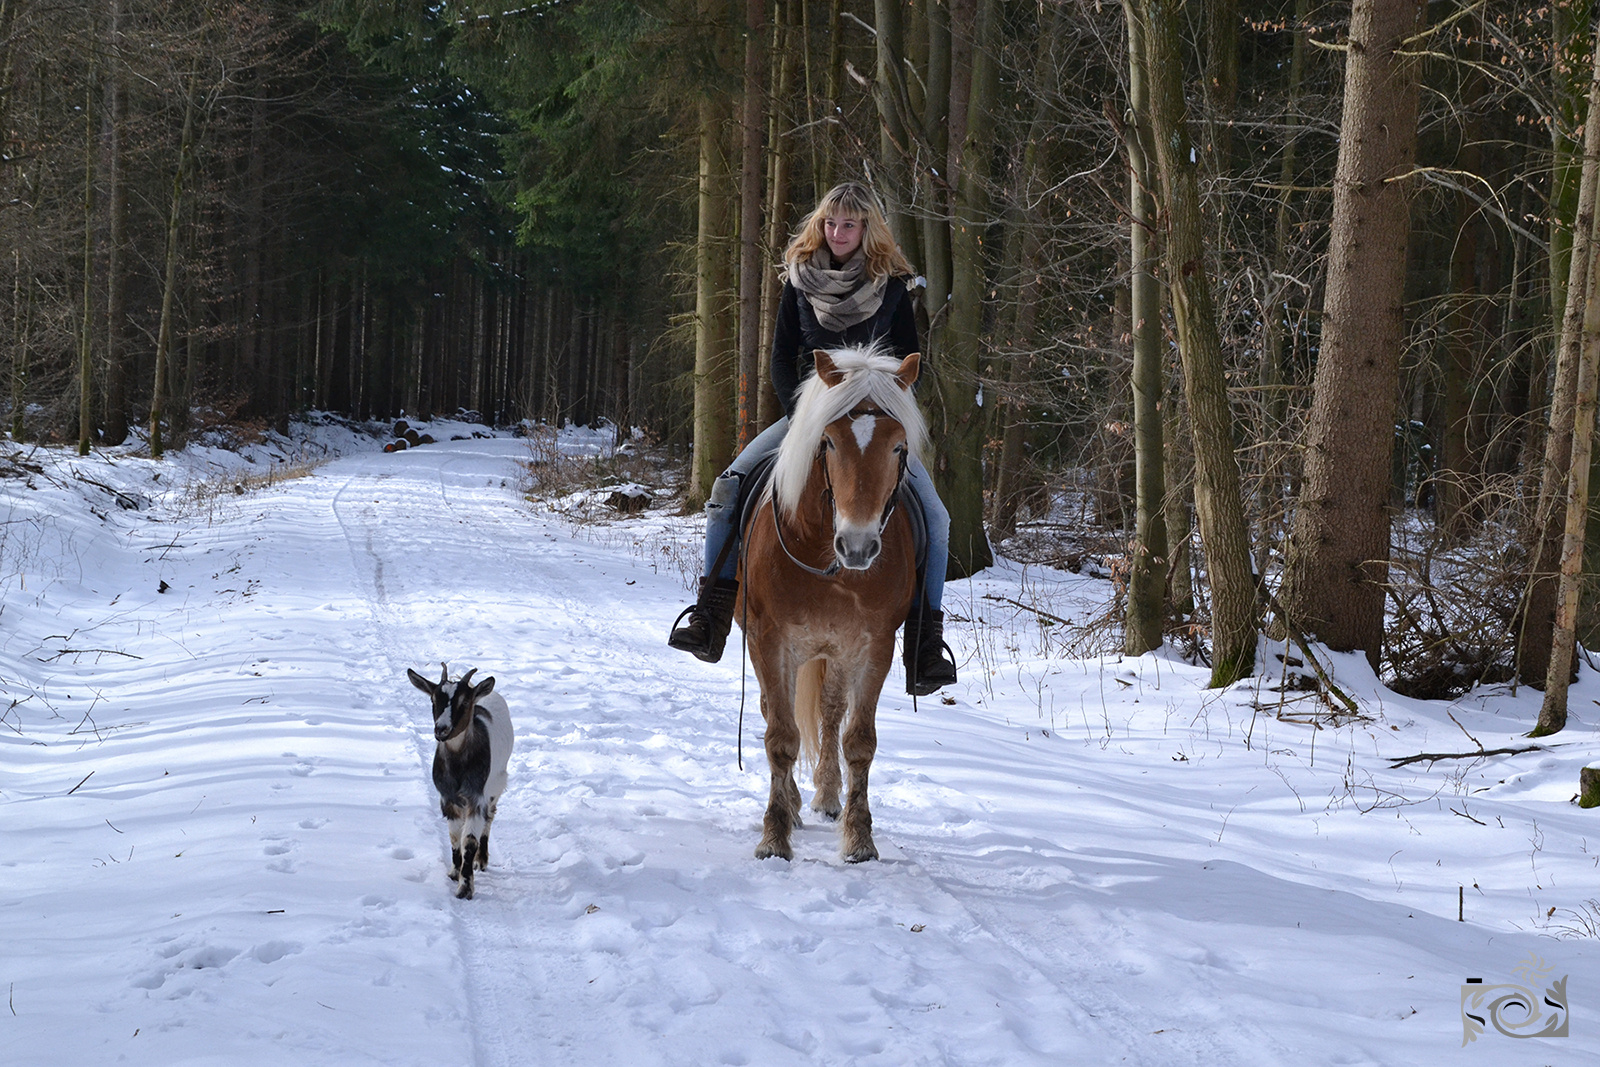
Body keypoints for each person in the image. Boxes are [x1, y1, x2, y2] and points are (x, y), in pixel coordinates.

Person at [668, 181, 957, 695]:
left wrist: (882, 409)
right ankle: (710, 613)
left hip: (873, 422)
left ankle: (923, 641)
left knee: (935, 516)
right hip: (811, 418)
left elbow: (909, 364)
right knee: (726, 490)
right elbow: (782, 359)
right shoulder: (799, 281)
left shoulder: (893, 286)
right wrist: (807, 414)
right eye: (830, 223)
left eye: (849, 224)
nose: (838, 232)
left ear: (867, 228)